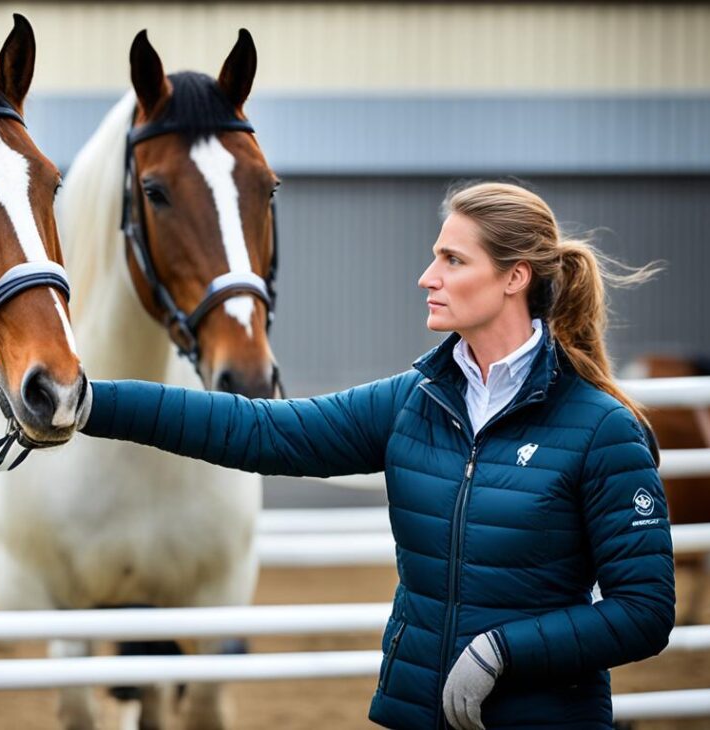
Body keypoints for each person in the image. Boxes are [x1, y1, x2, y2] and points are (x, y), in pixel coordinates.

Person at [76, 181, 676, 729]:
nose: (427, 276)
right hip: (417, 714)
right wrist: (91, 404)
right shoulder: (414, 401)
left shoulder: (601, 429)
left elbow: (644, 611)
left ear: (514, 278)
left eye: (453, 260)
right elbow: (261, 430)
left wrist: (502, 654)